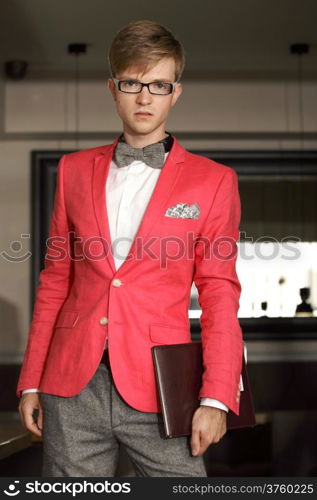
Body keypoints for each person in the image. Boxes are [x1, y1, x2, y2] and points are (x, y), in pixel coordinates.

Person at [17, 20, 243, 477]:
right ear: (112, 88)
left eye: (158, 84)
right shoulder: (73, 170)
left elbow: (220, 294)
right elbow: (56, 280)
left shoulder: (214, 181)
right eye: (132, 83)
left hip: (161, 386)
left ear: (175, 92)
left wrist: (217, 395)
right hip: (71, 384)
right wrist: (29, 381)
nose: (144, 97)